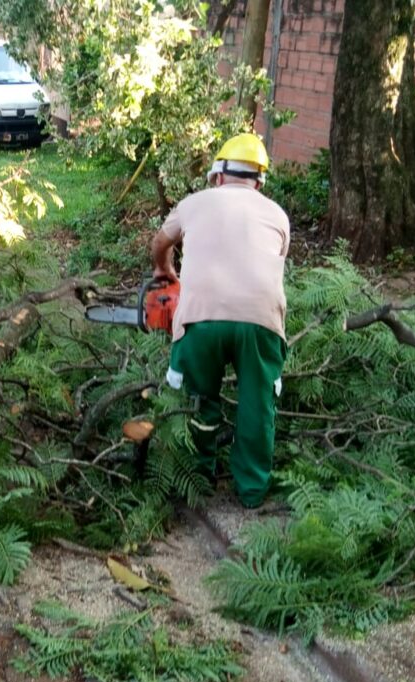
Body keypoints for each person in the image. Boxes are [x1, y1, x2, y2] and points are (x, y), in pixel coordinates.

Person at [150, 134, 290, 509]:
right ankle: (251, 491)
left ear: (217, 175)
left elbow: (159, 243)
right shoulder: (277, 215)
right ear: (259, 181)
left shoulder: (192, 204)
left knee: (197, 399)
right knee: (257, 404)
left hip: (200, 320)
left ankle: (198, 480)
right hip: (261, 321)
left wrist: (166, 272)